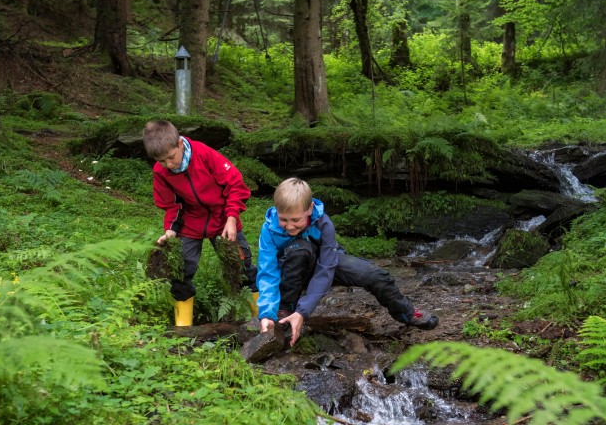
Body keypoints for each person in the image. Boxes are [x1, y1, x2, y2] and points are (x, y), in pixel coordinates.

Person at [256, 177, 439, 346]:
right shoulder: (269, 230)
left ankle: (406, 312)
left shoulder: (323, 223)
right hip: (291, 272)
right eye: (283, 220)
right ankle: (284, 314)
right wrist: (266, 313)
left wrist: (303, 311)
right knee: (299, 250)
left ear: (310, 209)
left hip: (326, 264)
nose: (289, 226)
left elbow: (326, 269)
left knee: (376, 275)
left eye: (296, 220)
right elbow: (268, 272)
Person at [143, 120, 258, 325]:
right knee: (180, 271)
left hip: (223, 218)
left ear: (179, 144)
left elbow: (235, 184)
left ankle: (261, 319)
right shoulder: (161, 172)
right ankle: (183, 328)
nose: (169, 164)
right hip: (190, 223)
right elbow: (172, 206)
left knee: (242, 267)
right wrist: (170, 231)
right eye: (162, 161)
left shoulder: (204, 154)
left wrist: (231, 218)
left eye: (171, 157)